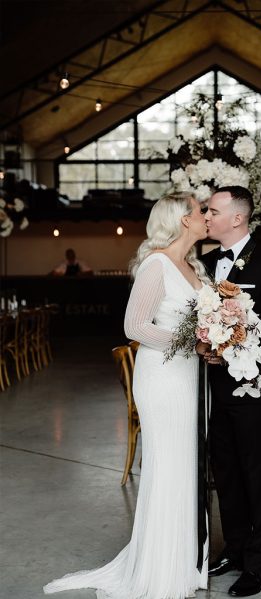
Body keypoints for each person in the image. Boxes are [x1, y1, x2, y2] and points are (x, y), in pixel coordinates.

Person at [44, 192, 209, 599]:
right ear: (183, 220)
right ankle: (159, 568)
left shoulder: (195, 267)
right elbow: (135, 326)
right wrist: (193, 342)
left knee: (190, 467)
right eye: (200, 209)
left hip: (193, 377)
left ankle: (187, 562)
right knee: (168, 465)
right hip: (164, 377)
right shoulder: (156, 264)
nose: (207, 215)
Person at [200, 186, 261, 597]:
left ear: (237, 218)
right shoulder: (204, 264)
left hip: (252, 389)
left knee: (257, 473)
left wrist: (236, 349)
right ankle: (236, 548)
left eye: (213, 210)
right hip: (211, 389)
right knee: (226, 471)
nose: (206, 216)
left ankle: (259, 564)